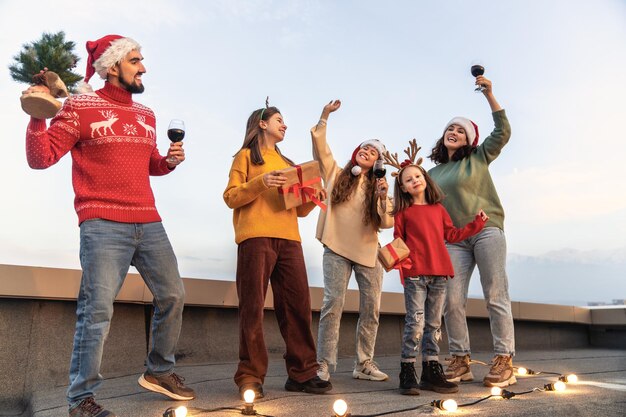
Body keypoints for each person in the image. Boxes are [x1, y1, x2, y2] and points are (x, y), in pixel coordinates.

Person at [23, 35, 194, 417]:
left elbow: (147, 163)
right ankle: (80, 398)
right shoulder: (80, 106)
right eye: (135, 60)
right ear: (113, 66)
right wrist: (38, 111)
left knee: (174, 295)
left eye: (141, 60)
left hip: (148, 220)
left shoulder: (146, 114)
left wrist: (168, 162)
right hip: (101, 222)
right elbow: (41, 157)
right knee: (97, 311)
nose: (143, 67)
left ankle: (160, 371)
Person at [223, 104, 332, 400]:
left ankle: (303, 373)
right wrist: (261, 182)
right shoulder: (246, 157)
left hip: (289, 240)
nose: (285, 126)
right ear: (261, 123)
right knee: (252, 307)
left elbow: (299, 211)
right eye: (279, 120)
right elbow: (231, 197)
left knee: (297, 306)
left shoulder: (287, 162)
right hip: (255, 237)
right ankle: (250, 375)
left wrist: (313, 196)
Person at [428, 76, 516, 388]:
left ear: (469, 140)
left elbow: (502, 132)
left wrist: (490, 94)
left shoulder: (478, 157)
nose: (454, 132)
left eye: (460, 130)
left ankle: (504, 358)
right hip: (454, 241)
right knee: (451, 301)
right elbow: (419, 204)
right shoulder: (433, 173)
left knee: (495, 293)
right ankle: (460, 359)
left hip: (487, 230)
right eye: (450, 128)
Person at [390, 152, 487, 395]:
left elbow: (452, 235)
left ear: (424, 177)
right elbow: (398, 242)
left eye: (417, 175)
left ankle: (431, 372)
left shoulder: (438, 209)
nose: (415, 180)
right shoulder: (403, 213)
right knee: (415, 323)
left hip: (440, 274)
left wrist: (476, 224)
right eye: (408, 180)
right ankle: (407, 371)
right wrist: (403, 269)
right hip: (415, 275)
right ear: (402, 188)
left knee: (433, 325)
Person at [311, 100, 393, 383]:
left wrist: (383, 197)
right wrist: (324, 117)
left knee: (372, 307)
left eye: (373, 152)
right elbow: (321, 148)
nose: (367, 152)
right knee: (332, 303)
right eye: (364, 148)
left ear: (378, 162)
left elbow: (386, 222)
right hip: (335, 247)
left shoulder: (379, 187)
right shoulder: (336, 174)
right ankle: (323, 363)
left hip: (369, 252)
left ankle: (364, 363)